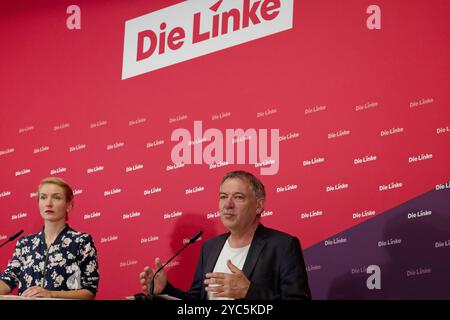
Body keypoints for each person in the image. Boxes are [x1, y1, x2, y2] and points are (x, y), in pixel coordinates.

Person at [139, 170, 311, 300]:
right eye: (223, 196)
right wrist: (166, 289)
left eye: (238, 197)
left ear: (259, 206)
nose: (228, 204)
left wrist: (249, 292)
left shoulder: (282, 246)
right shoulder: (210, 247)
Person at [0, 177, 99, 299]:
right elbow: (7, 280)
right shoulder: (25, 243)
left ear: (68, 205)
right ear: (38, 204)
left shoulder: (81, 241)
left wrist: (51, 294)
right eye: (43, 197)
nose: (48, 203)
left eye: (56, 197)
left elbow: (89, 292)